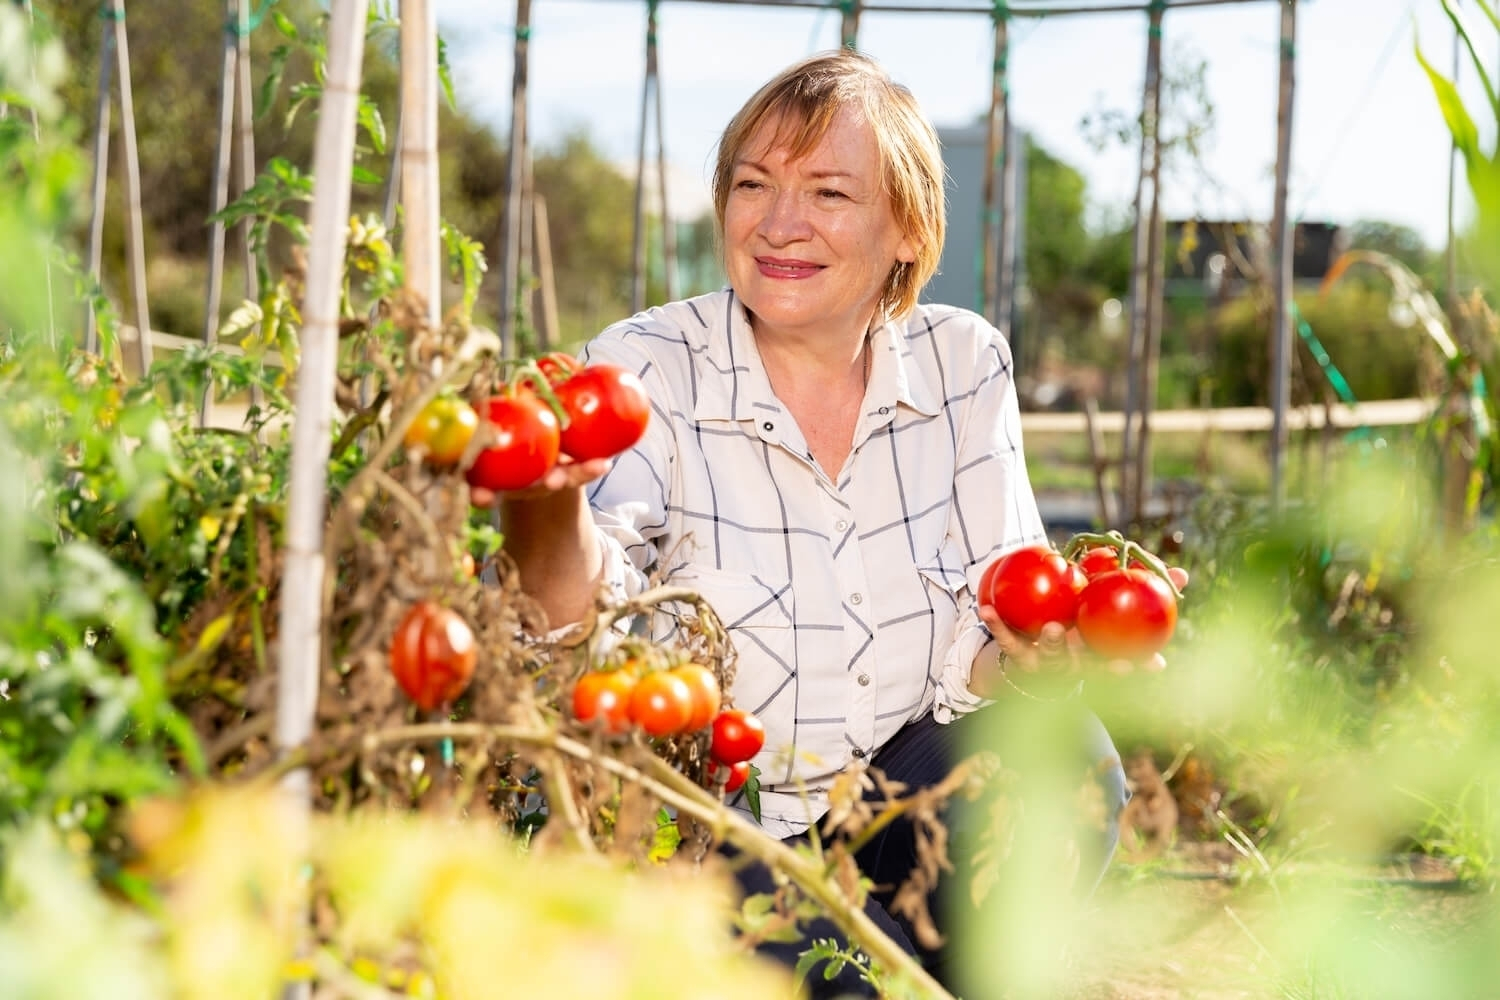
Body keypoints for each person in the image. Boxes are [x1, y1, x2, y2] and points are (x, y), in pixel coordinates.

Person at [483, 49, 1147, 997]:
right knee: (846, 976)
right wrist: (542, 504)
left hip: (893, 793)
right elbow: (576, 638)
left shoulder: (963, 365)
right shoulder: (646, 367)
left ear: (907, 229)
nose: (779, 223)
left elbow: (993, 630)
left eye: (829, 193)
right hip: (710, 815)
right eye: (753, 184)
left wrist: (1042, 657)